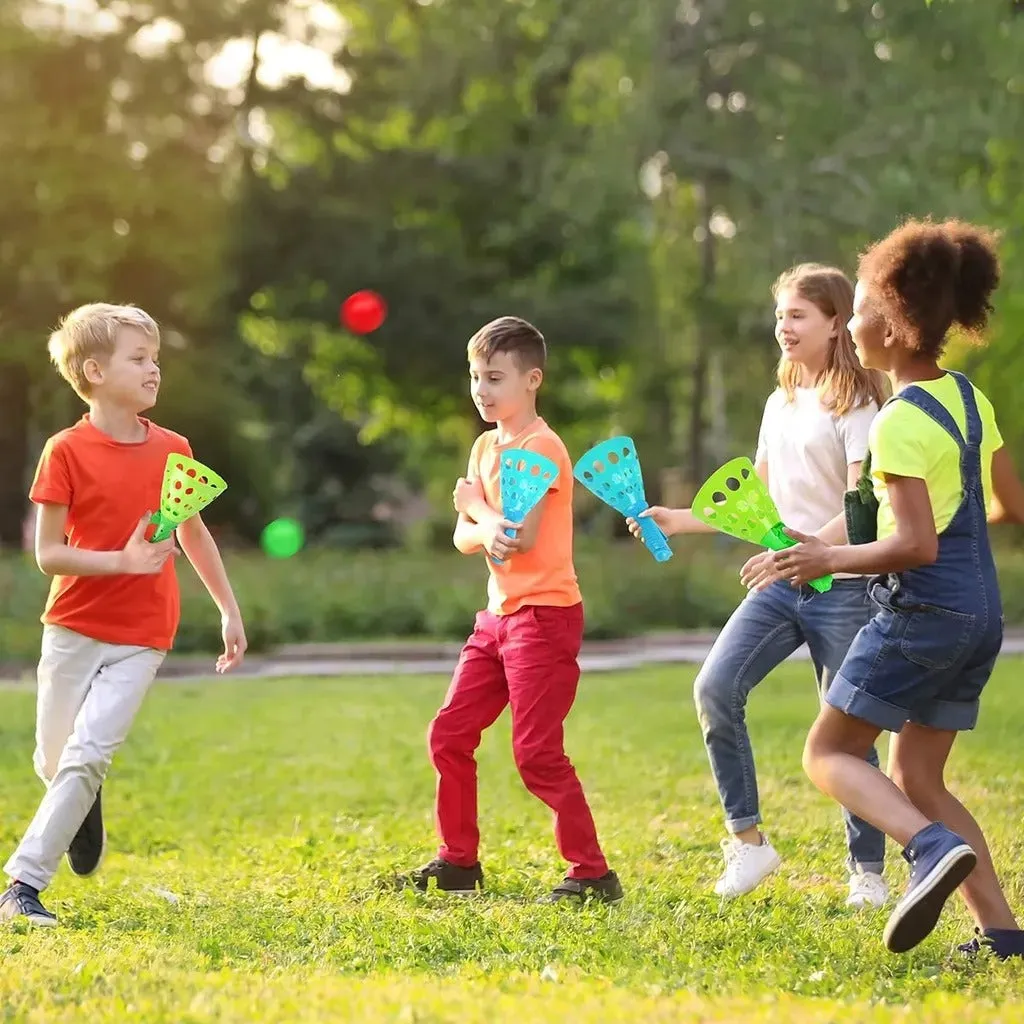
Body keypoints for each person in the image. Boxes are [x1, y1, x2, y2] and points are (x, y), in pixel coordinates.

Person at [774, 219, 1024, 957]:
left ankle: (924, 850)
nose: (848, 326)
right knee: (917, 773)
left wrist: (829, 558)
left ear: (889, 322)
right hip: (982, 612)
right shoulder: (968, 399)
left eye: (854, 310)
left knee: (828, 755)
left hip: (925, 609)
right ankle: (1005, 934)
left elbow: (914, 544)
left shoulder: (898, 422)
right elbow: (1009, 504)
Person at [630, 265, 891, 905]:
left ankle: (868, 872)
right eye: (780, 315)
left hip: (842, 580)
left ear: (835, 323)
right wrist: (681, 520)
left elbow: (863, 499)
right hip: (783, 579)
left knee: (848, 729)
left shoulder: (855, 403)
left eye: (798, 315)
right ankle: (749, 845)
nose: (784, 326)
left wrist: (814, 552)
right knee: (715, 687)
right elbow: (758, 498)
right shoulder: (779, 403)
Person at [0, 303, 247, 927]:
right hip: (72, 626)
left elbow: (194, 533)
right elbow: (48, 554)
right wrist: (124, 560)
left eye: (155, 359)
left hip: (143, 633)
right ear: (94, 370)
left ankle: (21, 886)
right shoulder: (64, 451)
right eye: (139, 359)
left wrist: (228, 608)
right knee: (55, 762)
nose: (154, 370)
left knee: (87, 755)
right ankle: (82, 798)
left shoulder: (173, 449)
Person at [403, 316, 621, 903]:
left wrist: (476, 506)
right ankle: (458, 863)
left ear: (532, 380)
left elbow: (517, 540)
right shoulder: (485, 445)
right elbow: (463, 538)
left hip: (544, 618)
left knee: (535, 753)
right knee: (448, 734)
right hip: (496, 618)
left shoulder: (542, 447)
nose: (481, 389)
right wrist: (481, 520)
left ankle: (592, 874)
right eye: (475, 376)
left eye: (495, 377)